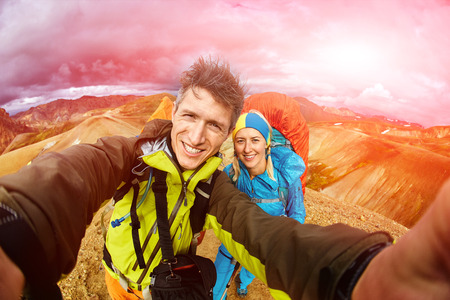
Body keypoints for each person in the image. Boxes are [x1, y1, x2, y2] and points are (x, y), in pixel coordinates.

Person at [0, 56, 448, 300]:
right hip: (120, 282)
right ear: (172, 112)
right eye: (190, 116)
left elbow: (262, 232)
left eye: (215, 125)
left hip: (167, 290)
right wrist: (15, 226)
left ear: (227, 135)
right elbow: (74, 172)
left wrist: (348, 274)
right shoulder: (129, 157)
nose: (196, 137)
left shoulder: (218, 187)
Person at [213, 110, 306, 299]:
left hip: (262, 246)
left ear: (267, 142)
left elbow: (296, 213)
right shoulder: (231, 174)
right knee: (214, 289)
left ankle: (242, 282)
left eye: (255, 140)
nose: (247, 149)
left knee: (249, 272)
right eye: (241, 141)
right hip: (231, 243)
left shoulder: (286, 177)